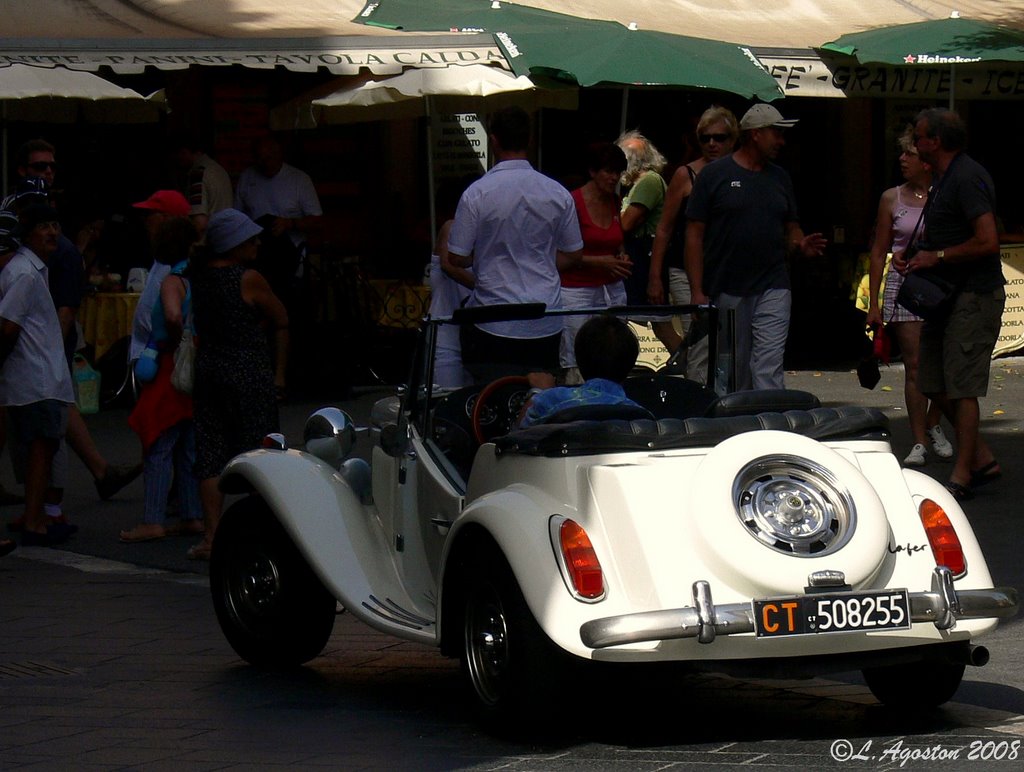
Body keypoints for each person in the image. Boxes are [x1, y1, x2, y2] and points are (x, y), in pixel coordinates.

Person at [899, 108, 1003, 501]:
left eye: (919, 137)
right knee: (929, 379)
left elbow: (987, 240)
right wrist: (919, 255)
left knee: (962, 387)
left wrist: (937, 257)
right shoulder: (943, 178)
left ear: (934, 142)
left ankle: (963, 472)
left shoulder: (966, 177)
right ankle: (982, 456)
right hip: (945, 296)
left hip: (973, 295)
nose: (914, 144)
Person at [685, 103, 827, 391]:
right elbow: (694, 235)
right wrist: (697, 289)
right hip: (727, 285)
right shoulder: (714, 175)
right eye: (776, 133)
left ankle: (770, 424)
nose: (781, 141)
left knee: (768, 363)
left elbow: (791, 224)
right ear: (756, 134)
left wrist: (800, 243)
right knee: (732, 367)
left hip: (774, 283)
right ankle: (735, 424)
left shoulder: (780, 177)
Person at [447, 106, 583, 382]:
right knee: (542, 394)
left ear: (493, 140)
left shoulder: (477, 193)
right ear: (529, 141)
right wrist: (541, 259)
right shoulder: (557, 192)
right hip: (546, 314)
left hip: (493, 316)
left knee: (492, 396)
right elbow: (574, 253)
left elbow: (457, 257)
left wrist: (484, 253)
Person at [187, 209, 289, 560]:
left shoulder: (198, 276)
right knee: (259, 449)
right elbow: (281, 318)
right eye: (251, 238)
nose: (257, 242)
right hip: (247, 371)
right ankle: (262, 531)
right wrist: (279, 373)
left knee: (212, 451)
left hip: (210, 370)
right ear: (234, 245)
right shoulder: (247, 278)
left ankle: (212, 535)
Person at [865, 128, 953, 467]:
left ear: (927, 162)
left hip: (941, 287)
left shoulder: (946, 195)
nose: (902, 159)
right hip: (905, 288)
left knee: (944, 365)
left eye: (909, 154)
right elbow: (878, 251)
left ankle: (934, 423)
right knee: (915, 366)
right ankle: (919, 440)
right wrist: (873, 303)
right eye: (901, 153)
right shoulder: (891, 198)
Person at [120, 217, 203, 543]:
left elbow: (171, 314)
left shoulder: (173, 279)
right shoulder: (199, 275)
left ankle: (153, 519)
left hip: (171, 366)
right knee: (188, 447)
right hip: (195, 368)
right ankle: (192, 513)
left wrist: (173, 337)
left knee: (158, 444)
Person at [0, 204, 76, 546]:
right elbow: (8, 327)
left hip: (38, 376)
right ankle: (34, 521)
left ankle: (37, 518)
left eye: (55, 225)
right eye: (44, 225)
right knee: (39, 451)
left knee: (41, 449)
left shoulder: (32, 270)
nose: (53, 232)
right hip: (35, 377)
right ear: (27, 233)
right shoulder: (25, 274)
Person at [649, 107, 739, 382]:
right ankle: (698, 397)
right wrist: (655, 277)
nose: (712, 144)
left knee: (729, 341)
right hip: (684, 270)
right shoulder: (685, 175)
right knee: (700, 339)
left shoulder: (739, 174)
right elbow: (663, 229)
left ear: (733, 139)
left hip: (727, 269)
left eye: (719, 138)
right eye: (705, 138)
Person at [559, 142, 632, 385]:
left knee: (613, 350)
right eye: (609, 171)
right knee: (577, 355)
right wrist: (599, 263)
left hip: (611, 289)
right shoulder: (572, 203)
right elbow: (558, 256)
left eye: (618, 172)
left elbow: (616, 240)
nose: (614, 178)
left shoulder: (614, 200)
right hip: (577, 290)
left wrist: (621, 255)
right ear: (593, 172)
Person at [616, 130, 680, 357]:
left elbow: (626, 223)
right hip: (641, 258)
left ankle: (690, 366)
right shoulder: (639, 183)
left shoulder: (649, 182)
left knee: (659, 322)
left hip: (644, 258)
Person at [519, 314, 642, 428]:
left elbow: (517, 439)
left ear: (578, 359)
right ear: (631, 364)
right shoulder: (640, 416)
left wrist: (538, 393)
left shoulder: (549, 401)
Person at [128, 190, 193, 363]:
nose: (145, 220)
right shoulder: (162, 258)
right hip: (148, 352)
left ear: (165, 219)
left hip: (162, 357)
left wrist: (173, 347)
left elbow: (173, 316)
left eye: (150, 214)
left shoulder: (177, 265)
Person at [430, 176, 477, 389]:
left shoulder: (485, 234)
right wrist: (489, 288)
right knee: (447, 397)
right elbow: (449, 265)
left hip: (477, 333)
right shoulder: (451, 227)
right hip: (448, 332)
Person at [168, 132, 233, 236]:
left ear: (185, 152)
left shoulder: (198, 175)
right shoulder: (218, 169)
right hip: (225, 236)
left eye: (180, 154)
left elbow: (199, 223)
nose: (178, 159)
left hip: (209, 241)